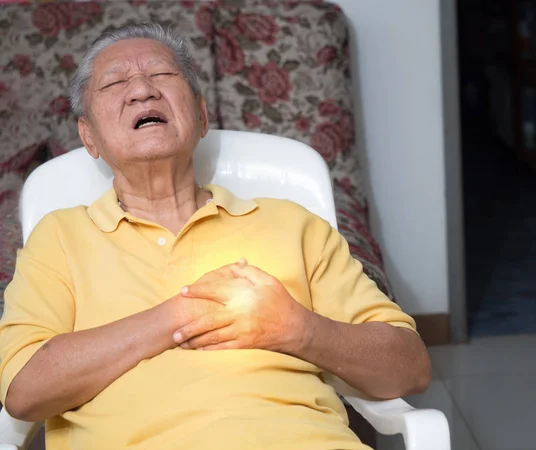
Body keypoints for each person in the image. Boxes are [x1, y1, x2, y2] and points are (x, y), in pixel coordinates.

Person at [0, 23, 431, 450]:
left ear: (202, 116)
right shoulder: (58, 238)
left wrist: (298, 329)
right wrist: (178, 316)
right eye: (114, 83)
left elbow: (409, 368)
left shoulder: (292, 225)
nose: (142, 91)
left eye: (163, 75)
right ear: (88, 137)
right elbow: (24, 391)